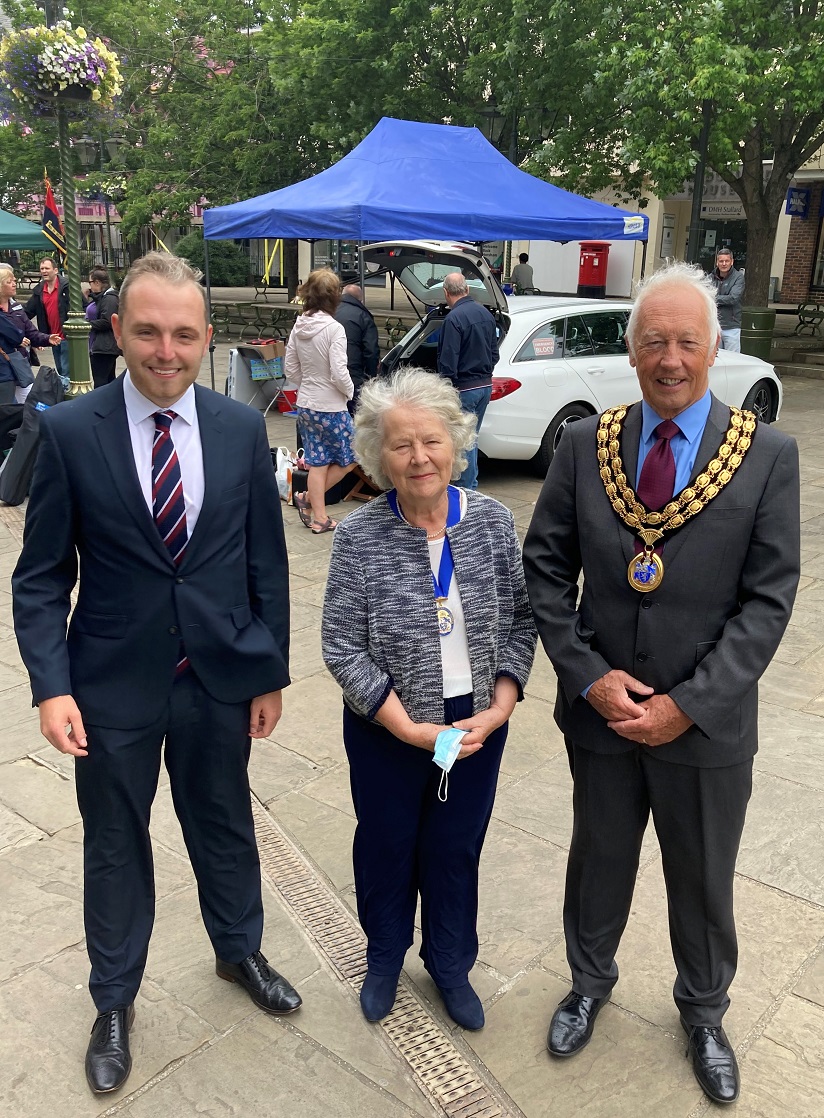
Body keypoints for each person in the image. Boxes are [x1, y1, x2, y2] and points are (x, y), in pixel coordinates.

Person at [12, 251, 302, 1097]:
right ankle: (113, 1000)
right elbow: (39, 579)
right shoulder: (69, 431)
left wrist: (268, 671)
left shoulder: (243, 429)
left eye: (182, 333)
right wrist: (52, 685)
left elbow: (265, 564)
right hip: (109, 688)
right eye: (147, 331)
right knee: (114, 846)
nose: (165, 350)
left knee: (224, 824)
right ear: (118, 331)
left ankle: (238, 949)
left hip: (217, 679)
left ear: (206, 337)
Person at [522, 262, 799, 1106]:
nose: (670, 359)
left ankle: (705, 1012)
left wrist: (691, 702)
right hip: (602, 715)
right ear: (633, 351)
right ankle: (588, 982)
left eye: (687, 341)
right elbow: (543, 571)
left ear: (715, 348)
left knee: (704, 876)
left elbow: (768, 597)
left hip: (706, 724)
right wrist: (589, 677)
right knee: (597, 860)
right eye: (654, 342)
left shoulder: (767, 455)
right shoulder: (585, 445)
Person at [322, 367, 537, 1031]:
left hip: (474, 729)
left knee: (453, 850)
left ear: (456, 442)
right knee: (386, 845)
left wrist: (500, 708)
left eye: (432, 440)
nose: (419, 457)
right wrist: (405, 726)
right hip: (388, 730)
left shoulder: (495, 524)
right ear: (376, 455)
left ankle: (449, 964)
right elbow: (341, 646)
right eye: (400, 445)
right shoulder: (360, 538)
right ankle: (385, 956)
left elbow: (522, 624)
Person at [284, 268, 357, 533]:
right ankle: (309, 504)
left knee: (318, 461)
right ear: (334, 296)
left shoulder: (298, 325)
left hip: (306, 403)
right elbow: (339, 371)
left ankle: (318, 517)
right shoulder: (334, 329)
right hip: (331, 405)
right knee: (353, 456)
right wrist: (349, 391)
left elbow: (290, 369)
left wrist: (308, 385)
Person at [436, 272, 500, 489]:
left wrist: (446, 388)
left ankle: (467, 487)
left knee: (464, 440)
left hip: (464, 389)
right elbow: (494, 354)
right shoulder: (486, 314)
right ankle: (468, 485)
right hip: (484, 386)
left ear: (446, 293)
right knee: (471, 437)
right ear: (467, 289)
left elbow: (448, 361)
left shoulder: (453, 319)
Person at [0, 263, 61, 403]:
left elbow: (30, 331)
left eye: (14, 281)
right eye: (10, 282)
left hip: (20, 365)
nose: (14, 284)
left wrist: (47, 338)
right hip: (3, 370)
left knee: (31, 404)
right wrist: (17, 339)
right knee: (7, 410)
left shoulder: (15, 306)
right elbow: (16, 336)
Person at [335, 272, 380, 414]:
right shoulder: (363, 316)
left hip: (331, 374)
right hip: (354, 374)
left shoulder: (330, 312)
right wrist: (372, 378)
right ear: (360, 300)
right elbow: (371, 352)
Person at [24, 256, 70, 379]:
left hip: (68, 337)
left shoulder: (67, 287)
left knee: (67, 371)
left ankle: (68, 396)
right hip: (53, 338)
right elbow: (27, 311)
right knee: (60, 370)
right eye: (42, 268)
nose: (44, 271)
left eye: (47, 268)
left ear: (55, 270)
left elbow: (83, 306)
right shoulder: (39, 290)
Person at [85, 266, 122, 388]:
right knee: (107, 381)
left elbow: (107, 321)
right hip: (100, 346)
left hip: (104, 348)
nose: (89, 286)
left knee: (101, 382)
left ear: (97, 282)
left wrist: (86, 325)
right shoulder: (102, 297)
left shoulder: (110, 298)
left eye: (90, 282)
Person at [711, 248, 745, 352]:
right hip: (714, 326)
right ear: (717, 262)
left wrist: (713, 297)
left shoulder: (738, 277)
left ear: (732, 262)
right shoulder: (711, 277)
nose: (724, 264)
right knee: (715, 360)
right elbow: (704, 295)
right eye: (721, 261)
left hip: (731, 327)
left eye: (727, 261)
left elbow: (733, 298)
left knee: (732, 360)